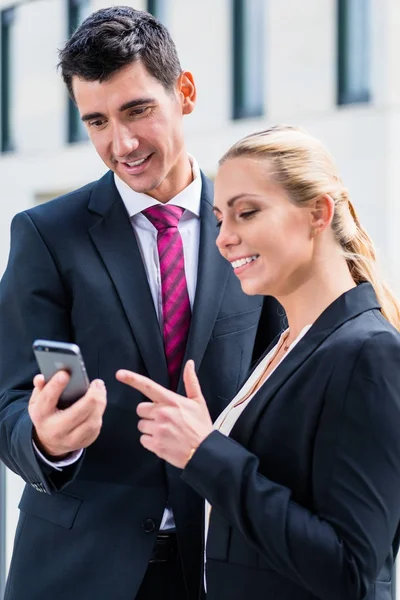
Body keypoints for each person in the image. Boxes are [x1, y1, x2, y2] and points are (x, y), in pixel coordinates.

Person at [0, 8, 280, 600]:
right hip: (78, 571)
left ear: (186, 92)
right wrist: (46, 439)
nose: (120, 144)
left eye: (137, 110)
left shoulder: (254, 224)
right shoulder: (46, 235)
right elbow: (9, 404)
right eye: (96, 120)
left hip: (218, 565)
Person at [118, 125, 400, 600]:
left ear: (318, 213)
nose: (224, 239)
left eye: (246, 213)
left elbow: (349, 570)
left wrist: (203, 452)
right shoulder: (287, 342)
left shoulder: (371, 352)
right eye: (219, 219)